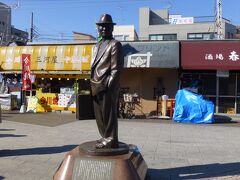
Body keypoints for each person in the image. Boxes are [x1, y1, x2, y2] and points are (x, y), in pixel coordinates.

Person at [90, 14, 123, 149]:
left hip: (107, 86)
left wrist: (110, 84)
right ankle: (105, 136)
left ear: (112, 28)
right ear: (98, 28)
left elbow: (116, 68)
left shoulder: (115, 44)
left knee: (109, 114)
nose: (103, 29)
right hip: (95, 84)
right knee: (99, 115)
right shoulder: (96, 46)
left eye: (106, 26)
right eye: (101, 27)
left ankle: (111, 138)